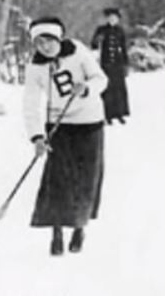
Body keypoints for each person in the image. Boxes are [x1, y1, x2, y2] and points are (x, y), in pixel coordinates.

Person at [24, 16, 108, 256]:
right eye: (39, 43)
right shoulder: (36, 67)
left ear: (58, 38)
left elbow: (101, 79)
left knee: (85, 179)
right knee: (58, 180)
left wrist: (87, 89)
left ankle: (79, 228)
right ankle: (57, 231)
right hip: (58, 126)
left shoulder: (78, 52)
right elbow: (30, 103)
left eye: (48, 41)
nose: (44, 47)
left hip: (89, 123)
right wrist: (37, 137)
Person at [90, 7, 130, 125]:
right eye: (110, 18)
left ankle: (119, 113)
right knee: (107, 90)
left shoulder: (120, 30)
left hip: (118, 64)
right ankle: (107, 115)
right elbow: (94, 44)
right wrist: (98, 40)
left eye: (115, 18)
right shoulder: (101, 30)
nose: (112, 20)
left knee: (118, 89)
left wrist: (125, 64)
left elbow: (124, 48)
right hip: (106, 64)